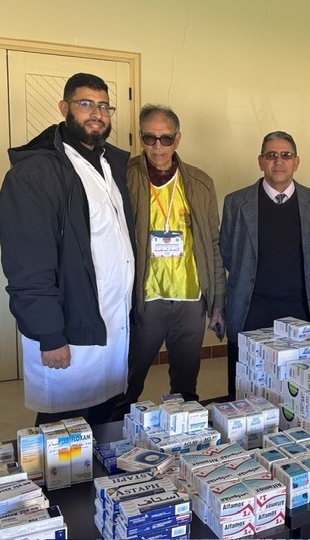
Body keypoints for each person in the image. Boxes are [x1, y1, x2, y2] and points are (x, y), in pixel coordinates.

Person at [0, 73, 134, 426]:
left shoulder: (112, 165)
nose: (97, 113)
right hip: (68, 328)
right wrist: (49, 334)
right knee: (63, 428)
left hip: (111, 323)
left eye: (104, 106)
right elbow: (28, 264)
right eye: (85, 103)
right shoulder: (36, 172)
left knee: (104, 419)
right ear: (64, 107)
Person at [111, 104, 226, 418]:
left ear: (177, 139)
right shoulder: (123, 177)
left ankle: (184, 437)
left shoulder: (200, 183)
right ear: (141, 138)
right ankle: (115, 436)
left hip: (191, 298)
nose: (158, 146)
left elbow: (212, 245)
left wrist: (217, 302)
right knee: (127, 383)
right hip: (145, 298)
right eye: (150, 138)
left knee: (186, 387)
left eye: (166, 138)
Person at [220, 131, 310, 396]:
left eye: (286, 155)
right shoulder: (236, 202)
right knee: (245, 388)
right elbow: (226, 251)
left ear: (296, 161)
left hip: (299, 308)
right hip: (251, 308)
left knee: (295, 387)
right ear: (261, 161)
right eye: (271, 155)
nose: (278, 161)